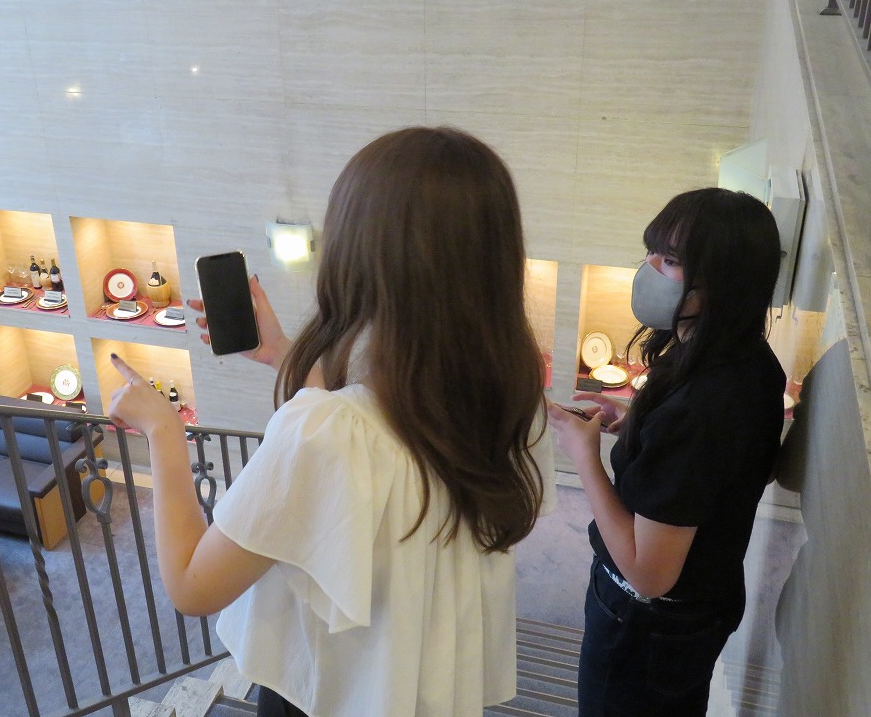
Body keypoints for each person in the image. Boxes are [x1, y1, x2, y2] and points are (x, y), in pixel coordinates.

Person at [108, 126, 555, 717]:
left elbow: (192, 585)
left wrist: (163, 431)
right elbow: (381, 429)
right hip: (421, 687)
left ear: (358, 258)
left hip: (331, 696)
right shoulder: (514, 404)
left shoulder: (325, 433)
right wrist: (281, 354)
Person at [547, 187, 785, 716]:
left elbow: (649, 574)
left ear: (725, 280)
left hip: (646, 629)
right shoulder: (748, 358)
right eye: (652, 252)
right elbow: (726, 468)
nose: (649, 270)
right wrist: (637, 426)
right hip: (694, 614)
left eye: (672, 261)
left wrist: (583, 456)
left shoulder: (702, 404)